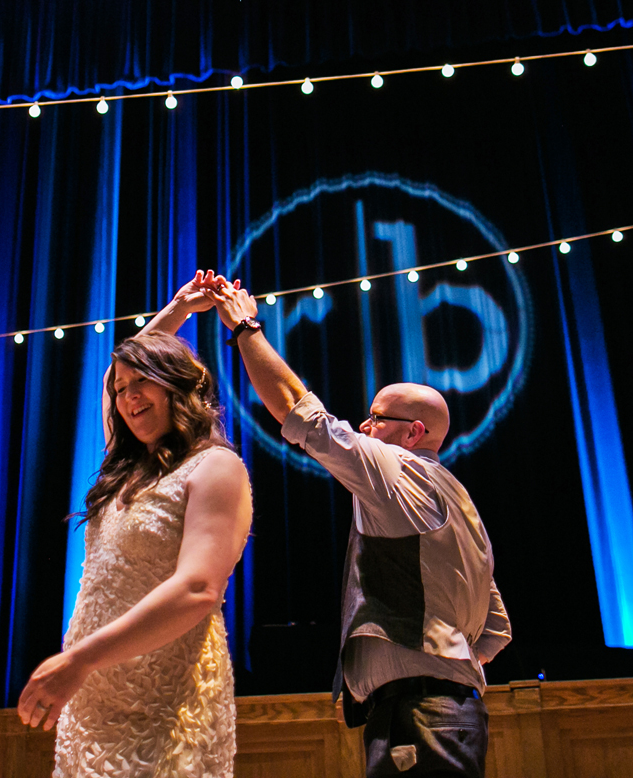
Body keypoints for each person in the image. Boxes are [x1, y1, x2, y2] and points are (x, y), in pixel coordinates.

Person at [208, 277, 510, 778]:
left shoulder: (399, 468)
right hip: (439, 711)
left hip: (424, 714)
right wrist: (443, 667)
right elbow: (495, 631)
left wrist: (244, 327)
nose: (365, 427)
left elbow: (299, 412)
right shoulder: (462, 504)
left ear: (414, 432)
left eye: (376, 417)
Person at [19, 275, 253, 778]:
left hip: (170, 702)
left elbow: (197, 590)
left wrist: (78, 659)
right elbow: (113, 383)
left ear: (177, 384)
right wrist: (174, 310)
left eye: (142, 382)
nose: (128, 398)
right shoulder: (127, 466)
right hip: (94, 703)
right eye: (121, 389)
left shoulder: (216, 468)